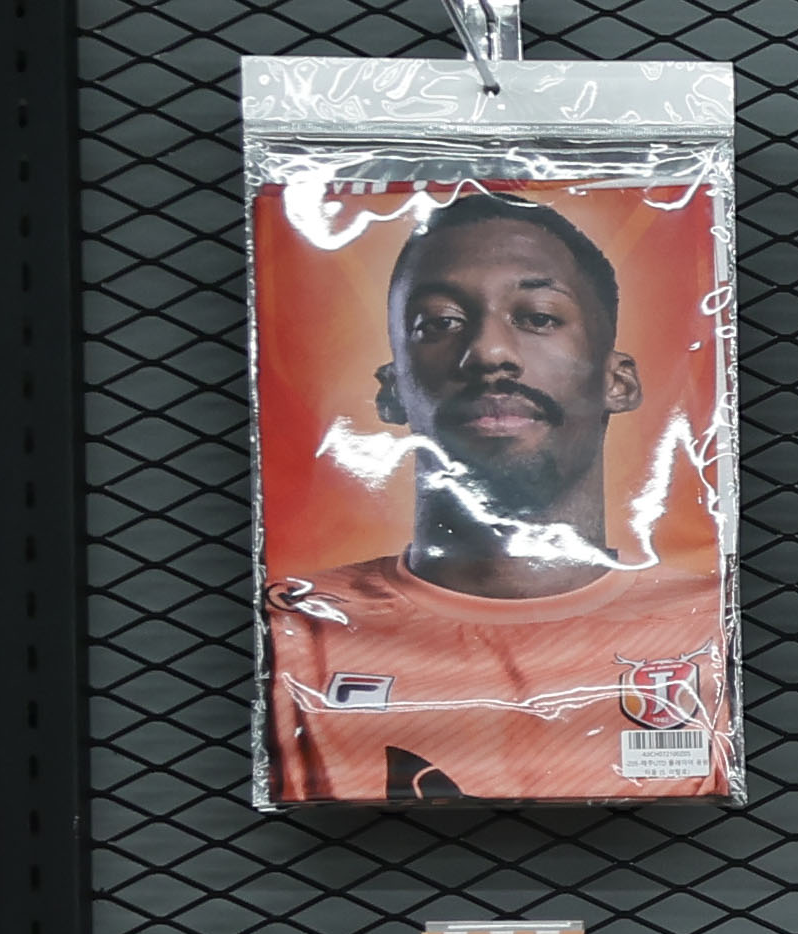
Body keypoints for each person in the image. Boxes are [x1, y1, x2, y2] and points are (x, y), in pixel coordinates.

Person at [267, 190, 724, 804]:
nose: (489, 353)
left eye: (537, 317)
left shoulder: (713, 628)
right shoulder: (298, 634)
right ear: (392, 390)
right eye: (440, 323)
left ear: (617, 381)